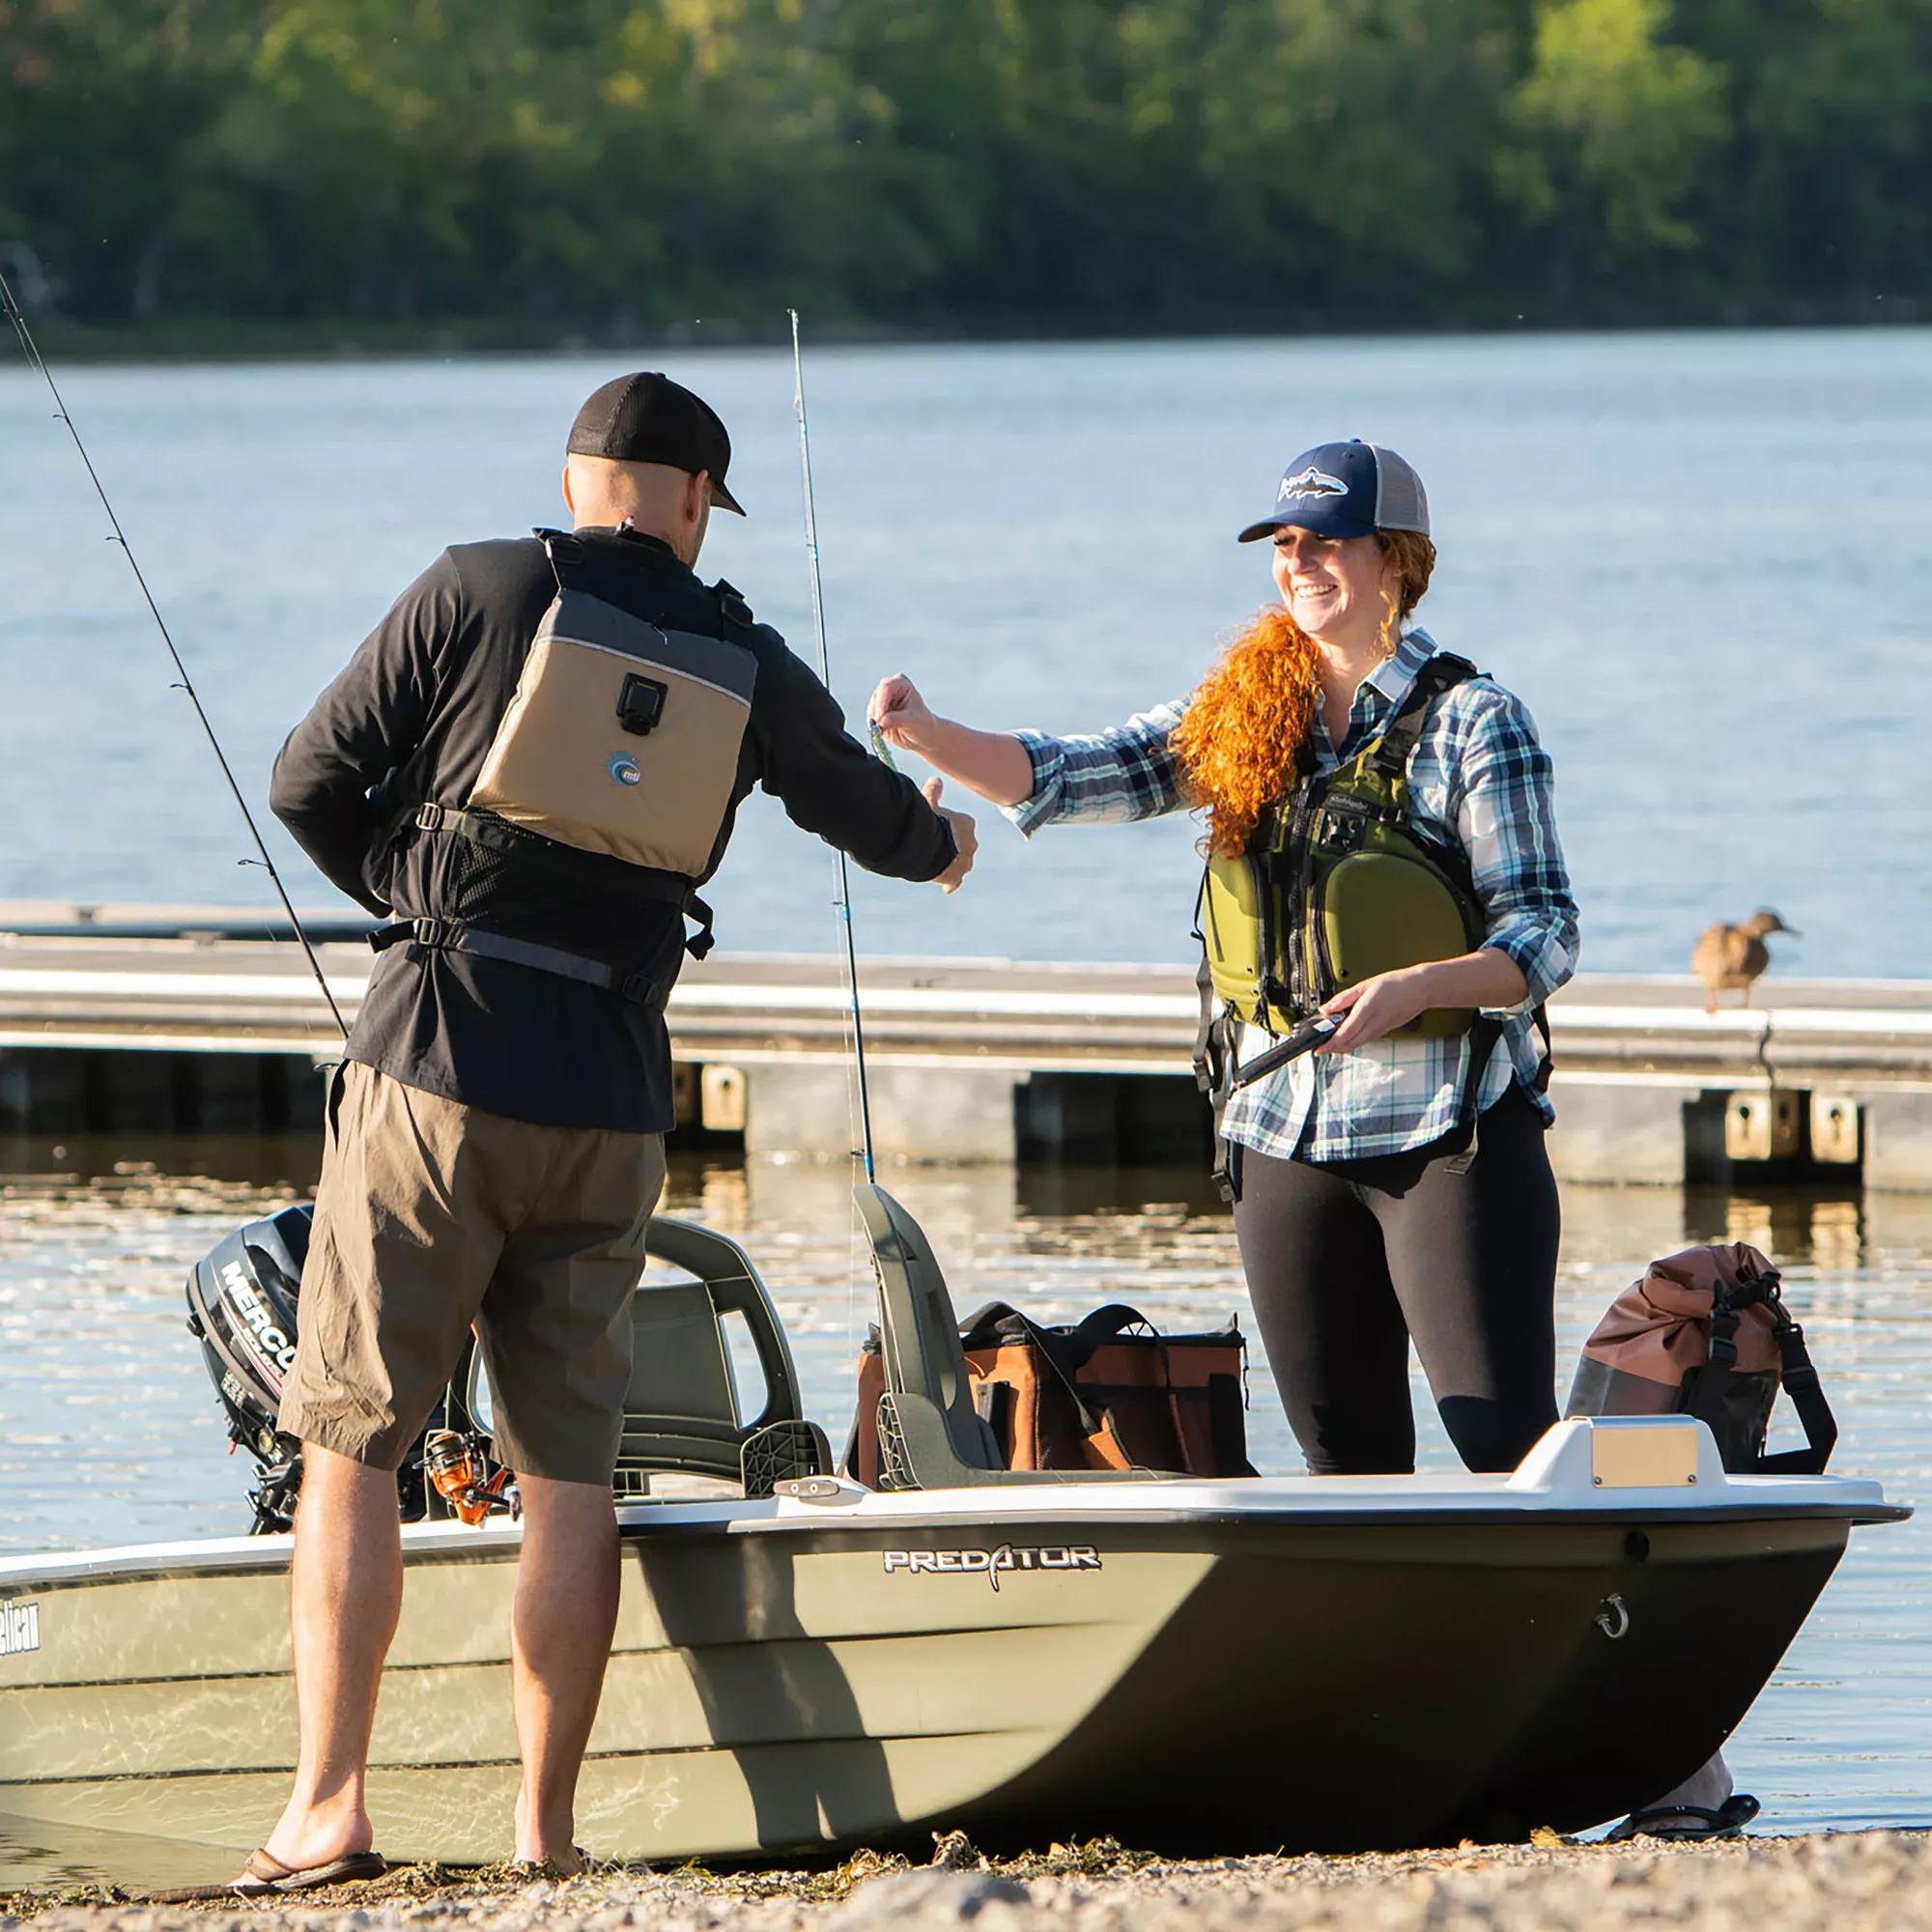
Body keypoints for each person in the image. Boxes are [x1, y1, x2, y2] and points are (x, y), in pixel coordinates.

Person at [255, 371, 977, 1891]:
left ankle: (329, 1808)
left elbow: (307, 780)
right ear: (699, 501)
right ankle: (547, 1834)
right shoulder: (741, 651)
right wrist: (949, 840)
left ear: (578, 475)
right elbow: (871, 816)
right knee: (572, 1473)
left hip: (436, 1068)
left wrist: (420, 897)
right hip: (613, 1102)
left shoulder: (481, 584)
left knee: (353, 1441)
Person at [869, 439, 1577, 1482]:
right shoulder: (1246, 707)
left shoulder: (1476, 721)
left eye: (1326, 541)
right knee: (1342, 1462)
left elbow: (1542, 932)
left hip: (1447, 1135)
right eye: (1283, 544)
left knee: (1504, 1449)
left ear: (1395, 558)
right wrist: (927, 734)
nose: (1299, 563)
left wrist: (1416, 987)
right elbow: (1081, 772)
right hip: (1276, 1136)